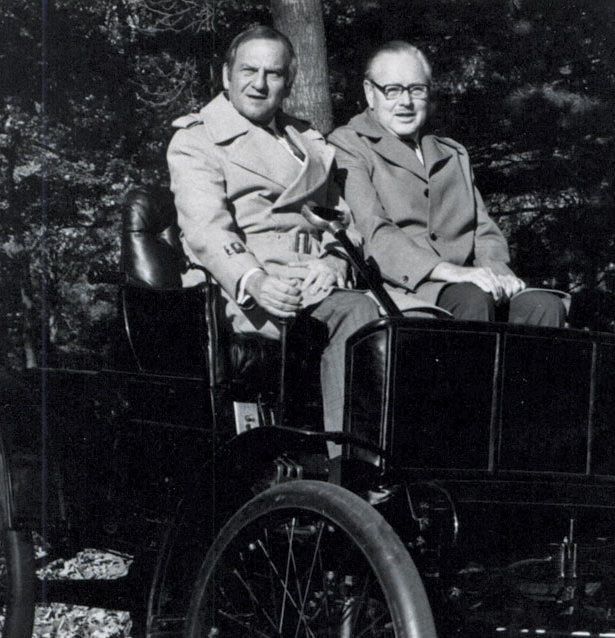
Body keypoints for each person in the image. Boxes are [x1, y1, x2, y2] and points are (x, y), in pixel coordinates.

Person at [167, 25, 379, 434]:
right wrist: (256, 281)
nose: (259, 84)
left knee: (411, 320)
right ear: (227, 76)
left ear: (288, 83)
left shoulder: (306, 140)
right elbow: (207, 231)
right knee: (361, 314)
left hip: (318, 280)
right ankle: (352, 471)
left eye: (274, 74)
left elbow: (341, 218)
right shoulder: (198, 140)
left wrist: (335, 261)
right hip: (250, 294)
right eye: (249, 71)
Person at [329, 41, 567, 327]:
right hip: (402, 288)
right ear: (370, 92)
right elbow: (373, 233)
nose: (405, 102)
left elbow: (483, 229)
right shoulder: (349, 145)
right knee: (470, 298)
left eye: (416, 90)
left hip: (469, 284)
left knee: (543, 305)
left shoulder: (452, 153)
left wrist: (496, 271)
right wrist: (450, 272)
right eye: (392, 90)